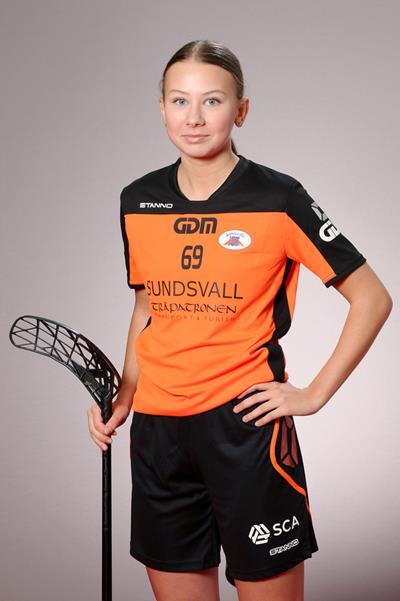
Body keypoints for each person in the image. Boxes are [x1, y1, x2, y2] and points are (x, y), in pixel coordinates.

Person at [87, 40, 392, 601]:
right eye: (179, 100)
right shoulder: (138, 199)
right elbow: (147, 308)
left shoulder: (278, 197)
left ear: (241, 110)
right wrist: (126, 394)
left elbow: (372, 298)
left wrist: (314, 393)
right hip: (157, 434)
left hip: (245, 429)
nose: (194, 118)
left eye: (212, 101)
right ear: (161, 108)